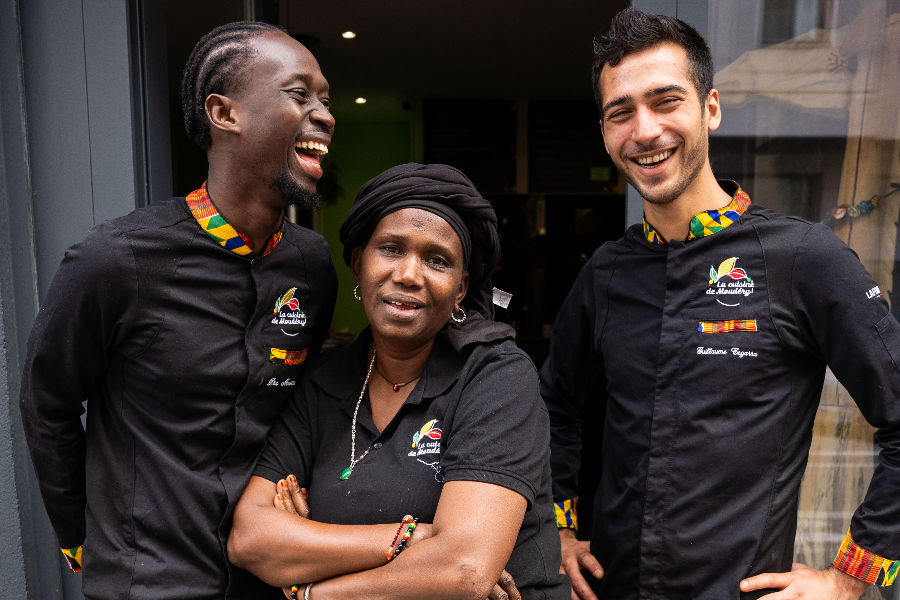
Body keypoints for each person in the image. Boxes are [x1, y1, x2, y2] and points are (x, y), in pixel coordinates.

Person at [540, 8, 900, 600]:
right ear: (605, 132)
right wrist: (560, 530)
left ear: (710, 108)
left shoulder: (803, 257)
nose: (645, 131)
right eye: (620, 113)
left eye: (665, 101)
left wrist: (851, 578)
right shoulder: (606, 273)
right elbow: (554, 405)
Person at [19, 22, 337, 599]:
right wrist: (79, 537)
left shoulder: (311, 266)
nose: (324, 114)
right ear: (224, 112)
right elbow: (48, 404)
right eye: (299, 94)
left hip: (268, 579)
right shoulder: (115, 259)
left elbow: (300, 411)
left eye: (325, 98)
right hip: (147, 581)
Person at [228, 163, 571, 600]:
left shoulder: (495, 376)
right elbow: (250, 538)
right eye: (391, 249)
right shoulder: (324, 383)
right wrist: (410, 539)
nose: (409, 274)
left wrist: (313, 589)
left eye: (437, 260)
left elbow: (463, 570)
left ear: (461, 289)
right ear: (358, 263)